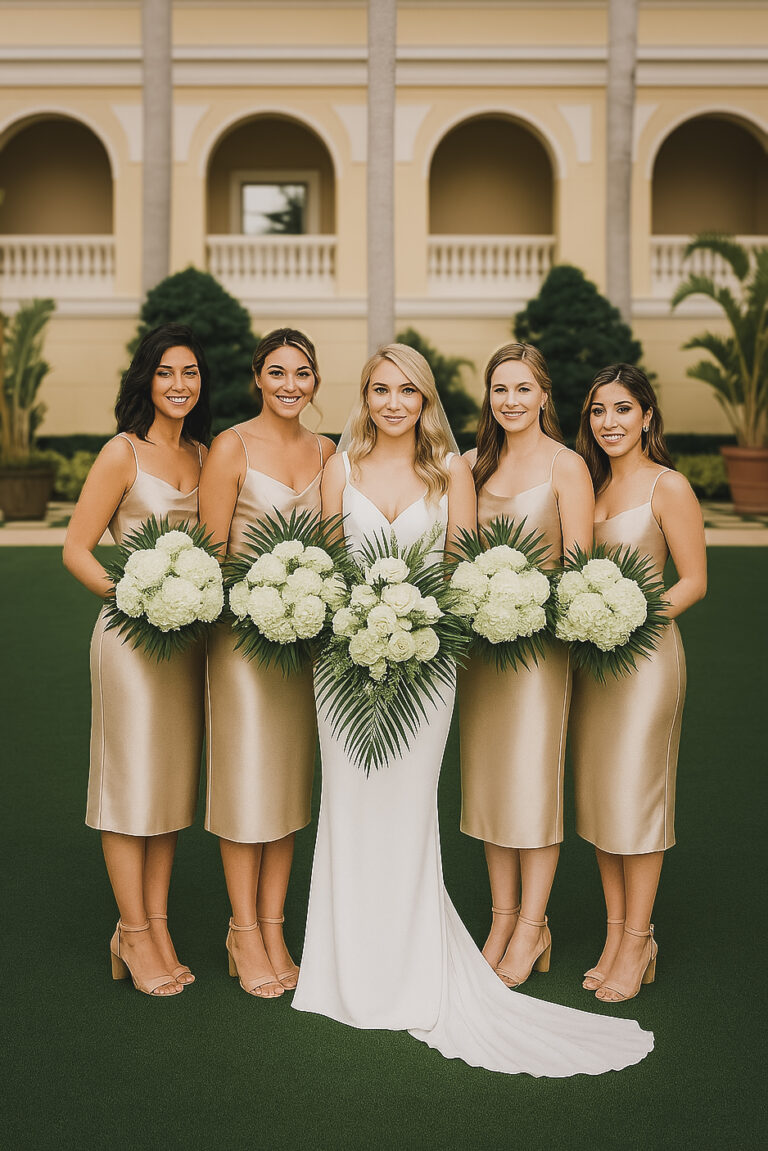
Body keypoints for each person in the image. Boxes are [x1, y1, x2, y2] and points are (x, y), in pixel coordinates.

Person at [293, 344, 654, 1076]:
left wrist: (416, 623)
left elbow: (458, 567)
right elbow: (328, 565)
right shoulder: (340, 467)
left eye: (408, 390)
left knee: (408, 807)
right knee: (348, 805)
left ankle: (424, 953)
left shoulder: (452, 472)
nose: (394, 402)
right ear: (364, 397)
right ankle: (343, 963)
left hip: (428, 663)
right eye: (380, 390)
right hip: (344, 664)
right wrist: (354, 623)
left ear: (426, 399)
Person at [63, 323, 210, 996]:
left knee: (169, 785)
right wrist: (133, 597)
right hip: (129, 639)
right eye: (166, 372)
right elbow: (76, 548)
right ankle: (132, 929)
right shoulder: (121, 452)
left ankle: (157, 924)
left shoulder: (205, 455)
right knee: (129, 785)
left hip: (186, 642)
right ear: (145, 380)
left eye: (190, 372)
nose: (179, 384)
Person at [199, 329, 335, 998]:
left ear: (315, 381)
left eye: (302, 372)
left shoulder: (328, 451)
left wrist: (309, 600)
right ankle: (243, 929)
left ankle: (276, 929)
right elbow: (210, 553)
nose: (290, 384)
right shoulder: (231, 446)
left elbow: (336, 546)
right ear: (257, 377)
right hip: (241, 642)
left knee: (286, 785)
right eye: (277, 372)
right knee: (245, 784)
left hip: (304, 644)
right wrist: (259, 598)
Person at [571, 364, 707, 1003]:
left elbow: (694, 581)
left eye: (622, 409)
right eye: (599, 411)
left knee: (636, 798)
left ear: (647, 416)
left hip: (647, 660)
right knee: (602, 801)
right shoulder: (588, 482)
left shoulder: (667, 485)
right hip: (593, 663)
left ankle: (638, 938)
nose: (609, 422)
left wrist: (632, 619)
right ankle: (615, 934)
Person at [460, 343, 594, 988]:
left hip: (542, 653)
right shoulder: (471, 465)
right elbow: (457, 554)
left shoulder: (569, 466)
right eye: (500, 390)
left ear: (544, 395)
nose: (510, 401)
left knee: (532, 783)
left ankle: (534, 924)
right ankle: (502, 918)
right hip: (483, 652)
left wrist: (529, 603)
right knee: (490, 783)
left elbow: (579, 567)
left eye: (522, 389)